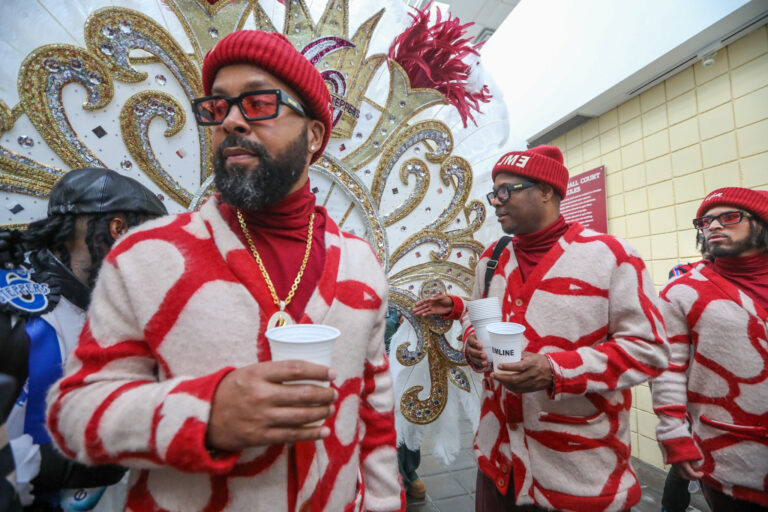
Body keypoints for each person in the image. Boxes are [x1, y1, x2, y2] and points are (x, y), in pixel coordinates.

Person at [47, 30, 404, 512]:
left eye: (258, 103)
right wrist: (206, 413)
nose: (231, 120)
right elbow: (74, 414)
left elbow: (374, 411)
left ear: (314, 134)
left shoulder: (361, 263)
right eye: (217, 108)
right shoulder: (145, 255)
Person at [414, 145, 669, 511]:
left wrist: (555, 369)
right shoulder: (492, 259)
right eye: (493, 193)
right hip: (498, 465)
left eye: (506, 191)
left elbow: (651, 349)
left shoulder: (612, 257)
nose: (496, 202)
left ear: (547, 191)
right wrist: (471, 339)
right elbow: (477, 313)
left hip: (579, 475)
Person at [0, 168, 167, 510]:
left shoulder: (123, 305)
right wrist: (99, 461)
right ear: (119, 230)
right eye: (150, 237)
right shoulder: (14, 308)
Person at [651, 187, 768, 512]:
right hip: (733, 458)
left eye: (728, 217)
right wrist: (674, 433)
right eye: (705, 221)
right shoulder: (684, 291)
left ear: (761, 223)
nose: (713, 226)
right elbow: (667, 370)